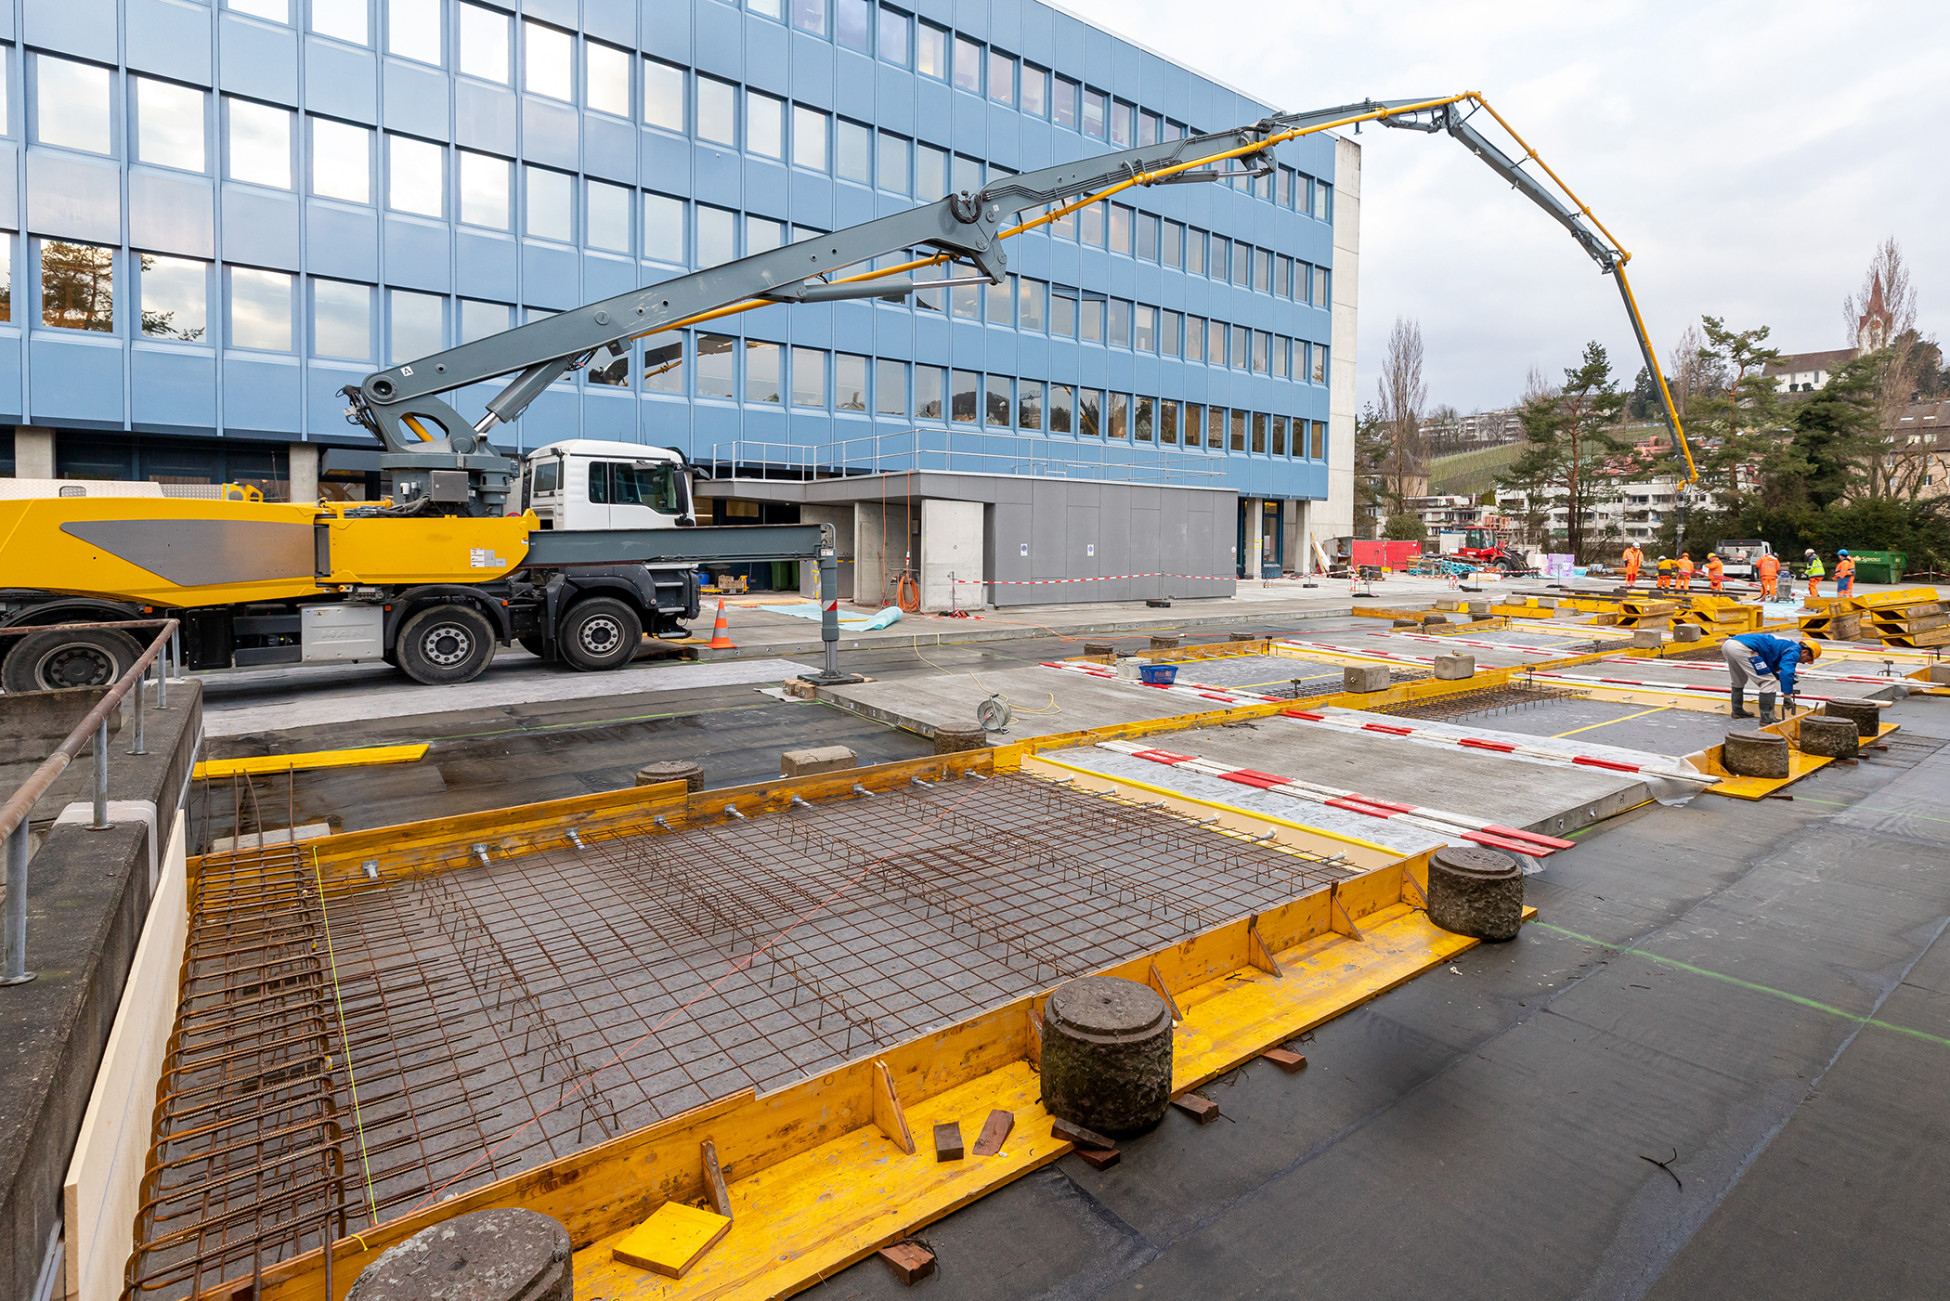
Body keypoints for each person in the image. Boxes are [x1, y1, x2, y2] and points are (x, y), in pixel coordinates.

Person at [1724, 633, 1820, 724]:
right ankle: (1767, 718)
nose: (1804, 663)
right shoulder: (1794, 651)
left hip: (1729, 644)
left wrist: (1778, 676)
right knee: (1768, 681)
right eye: (1808, 659)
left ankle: (1737, 711)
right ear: (1805, 652)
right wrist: (1787, 695)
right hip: (1743, 648)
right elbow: (1787, 671)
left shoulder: (1786, 645)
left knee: (1738, 679)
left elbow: (1766, 665)